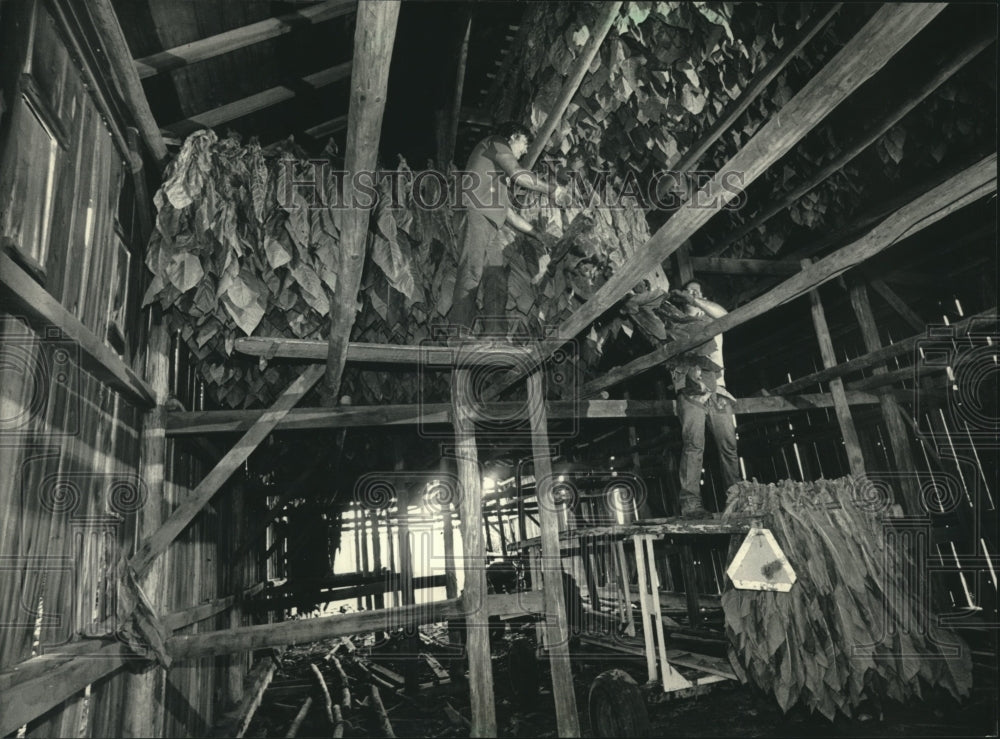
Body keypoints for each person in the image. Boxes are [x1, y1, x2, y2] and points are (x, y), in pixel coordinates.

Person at [448, 121, 566, 335]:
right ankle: (458, 334)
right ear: (513, 136)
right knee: (471, 271)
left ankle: (494, 335)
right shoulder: (495, 142)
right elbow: (518, 174)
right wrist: (551, 189)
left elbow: (509, 213)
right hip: (477, 217)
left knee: (496, 277)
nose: (525, 150)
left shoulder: (496, 176)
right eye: (524, 143)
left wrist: (538, 234)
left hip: (493, 226)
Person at [670, 279, 740, 518]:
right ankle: (691, 505)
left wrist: (693, 298)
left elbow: (725, 314)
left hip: (718, 391)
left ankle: (736, 499)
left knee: (728, 446)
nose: (693, 294)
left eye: (698, 292)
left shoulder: (713, 322)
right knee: (693, 446)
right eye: (689, 291)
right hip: (691, 393)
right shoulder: (676, 326)